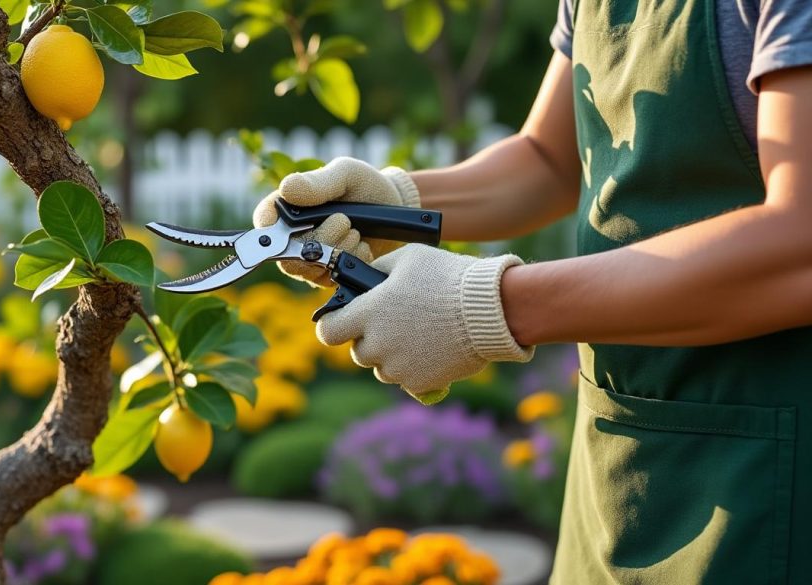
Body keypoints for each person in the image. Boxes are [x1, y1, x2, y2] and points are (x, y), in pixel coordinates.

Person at [251, 0, 812, 582]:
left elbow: (801, 241)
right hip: (621, 467)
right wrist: (388, 204)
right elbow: (548, 160)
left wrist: (490, 305)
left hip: (770, 476)